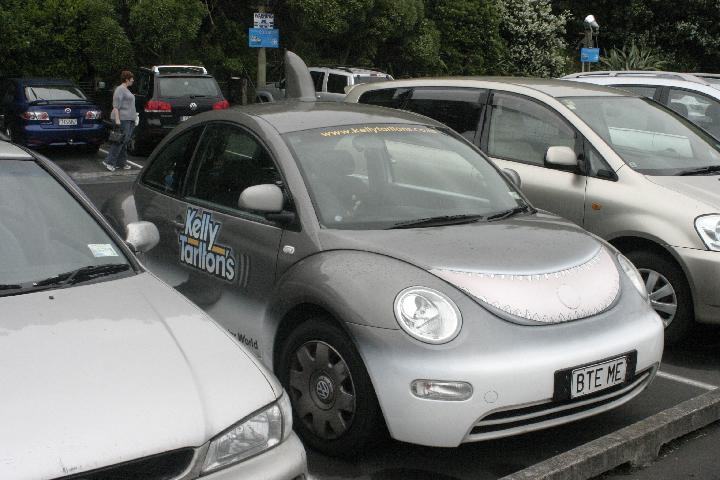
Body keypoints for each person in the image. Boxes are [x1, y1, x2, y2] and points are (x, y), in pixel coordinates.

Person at [104, 70, 136, 171]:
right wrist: (117, 120)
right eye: (131, 79)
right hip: (122, 119)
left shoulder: (126, 89)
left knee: (124, 141)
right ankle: (109, 162)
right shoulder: (120, 89)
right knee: (119, 141)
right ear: (127, 79)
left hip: (129, 119)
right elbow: (116, 106)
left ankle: (121, 163)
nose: (133, 80)